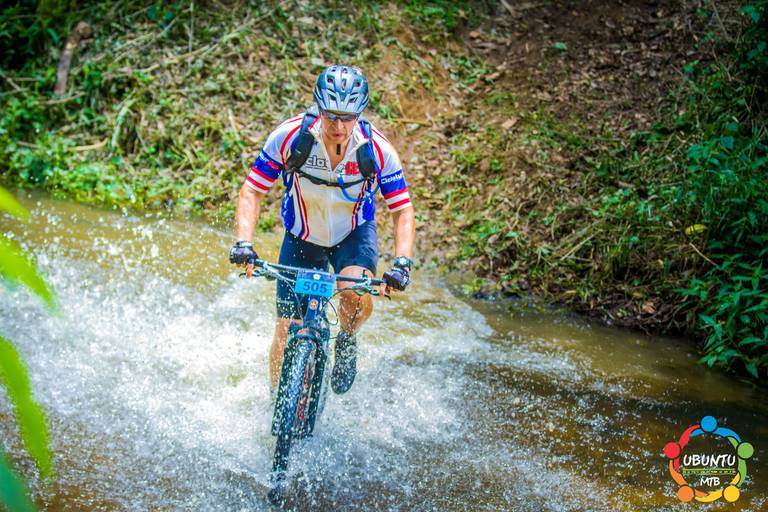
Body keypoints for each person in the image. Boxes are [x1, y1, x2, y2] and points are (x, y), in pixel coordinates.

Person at [230, 65, 416, 395]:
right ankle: (277, 405)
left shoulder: (376, 149)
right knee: (286, 329)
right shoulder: (290, 137)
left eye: (348, 117)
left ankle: (347, 337)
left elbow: (402, 209)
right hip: (302, 237)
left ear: (360, 113)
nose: (338, 126)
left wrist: (402, 263)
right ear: (318, 107)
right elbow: (252, 190)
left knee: (353, 294)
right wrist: (244, 243)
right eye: (331, 115)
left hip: (353, 235)